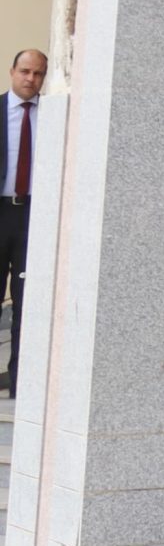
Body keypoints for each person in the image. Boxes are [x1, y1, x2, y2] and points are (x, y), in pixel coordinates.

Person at [0, 49, 47, 394]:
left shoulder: (56, 116)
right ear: (12, 71)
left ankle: (21, 385)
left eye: (38, 74)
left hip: (35, 216)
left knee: (27, 301)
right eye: (25, 71)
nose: (31, 79)